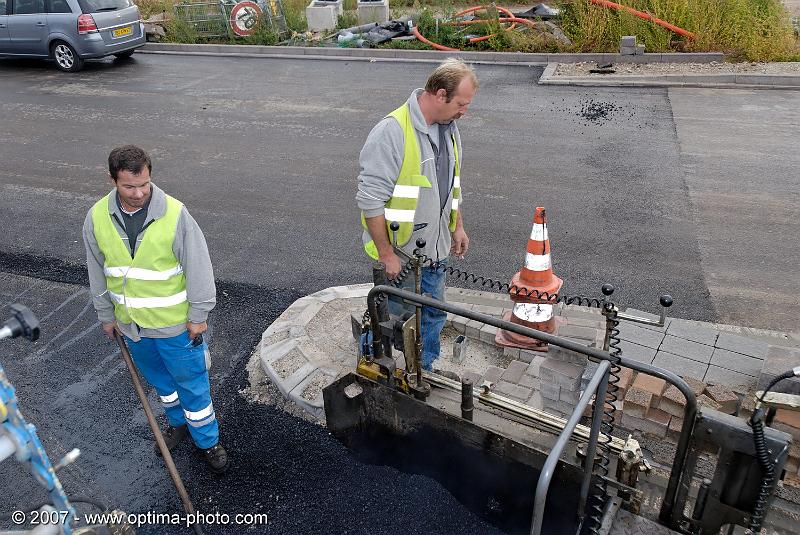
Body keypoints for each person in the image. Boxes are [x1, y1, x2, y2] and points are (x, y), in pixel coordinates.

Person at [82, 145, 229, 474]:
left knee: (192, 383)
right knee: (161, 382)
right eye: (129, 186)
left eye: (144, 184)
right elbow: (97, 271)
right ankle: (177, 425)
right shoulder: (96, 218)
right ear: (112, 180)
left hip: (175, 325)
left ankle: (208, 441)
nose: (138, 193)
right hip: (132, 326)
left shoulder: (175, 214)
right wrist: (107, 316)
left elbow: (199, 268)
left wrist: (199, 316)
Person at [356, 58, 478, 370]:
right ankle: (370, 361)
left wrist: (457, 226)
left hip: (435, 249)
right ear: (440, 94)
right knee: (393, 317)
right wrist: (386, 255)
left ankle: (424, 368)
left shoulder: (450, 130)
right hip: (402, 253)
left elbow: (452, 184)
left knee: (433, 313)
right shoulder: (392, 131)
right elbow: (370, 200)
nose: (465, 110)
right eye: (461, 103)